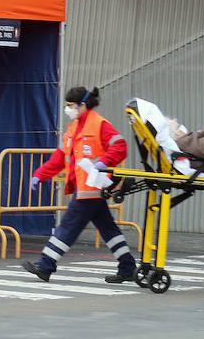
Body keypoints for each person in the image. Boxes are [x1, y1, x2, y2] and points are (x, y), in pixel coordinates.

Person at [23, 86, 136, 284]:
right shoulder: (74, 128)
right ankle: (128, 267)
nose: (67, 109)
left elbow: (120, 146)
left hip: (91, 189)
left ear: (82, 105)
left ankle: (46, 265)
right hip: (86, 189)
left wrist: (102, 162)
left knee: (67, 227)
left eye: (70, 106)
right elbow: (60, 157)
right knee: (109, 230)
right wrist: (40, 174)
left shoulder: (100, 124)